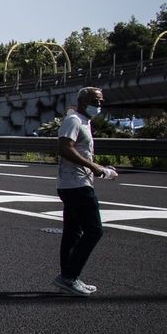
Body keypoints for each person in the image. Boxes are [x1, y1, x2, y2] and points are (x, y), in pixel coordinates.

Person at [55, 86, 116, 296]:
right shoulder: (73, 120)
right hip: (76, 185)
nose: (99, 105)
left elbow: (80, 151)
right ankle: (69, 276)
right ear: (82, 102)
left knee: (73, 233)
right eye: (95, 101)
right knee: (94, 230)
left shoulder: (84, 122)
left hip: (76, 183)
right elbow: (65, 148)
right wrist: (94, 167)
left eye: (101, 101)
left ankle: (68, 279)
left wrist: (100, 168)